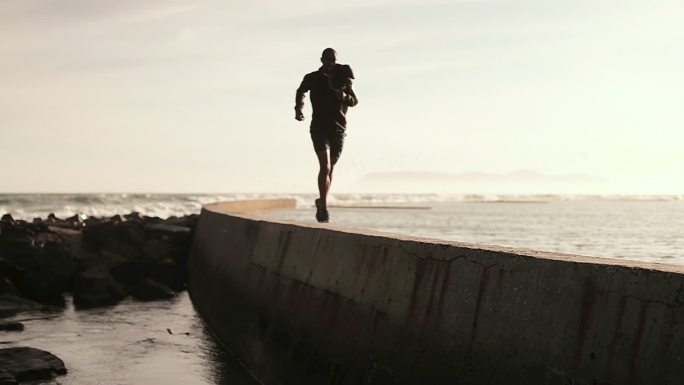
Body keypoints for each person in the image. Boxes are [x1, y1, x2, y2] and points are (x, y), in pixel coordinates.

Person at [295, 48, 358, 223]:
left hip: (338, 128)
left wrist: (344, 95)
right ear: (322, 59)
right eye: (327, 60)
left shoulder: (344, 78)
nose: (330, 63)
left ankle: (321, 201)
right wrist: (298, 109)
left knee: (332, 167)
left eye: (333, 60)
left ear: (336, 60)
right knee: (326, 166)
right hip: (319, 127)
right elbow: (300, 91)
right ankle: (324, 207)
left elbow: (355, 101)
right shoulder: (312, 78)